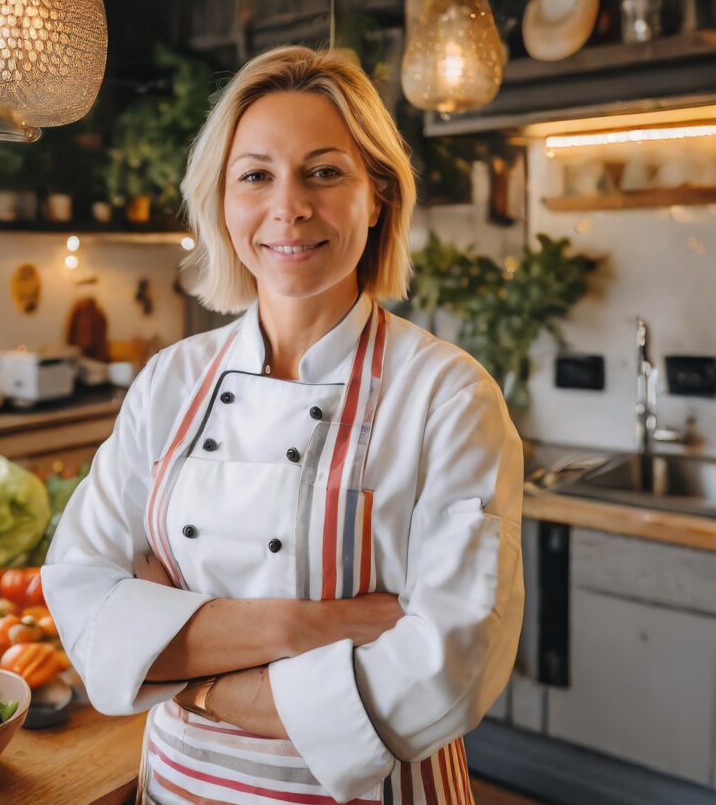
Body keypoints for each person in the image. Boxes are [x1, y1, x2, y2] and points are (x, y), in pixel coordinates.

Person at [42, 45, 524, 805]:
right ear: (222, 202)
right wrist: (310, 626)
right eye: (256, 175)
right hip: (177, 788)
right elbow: (81, 594)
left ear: (381, 196)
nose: (289, 207)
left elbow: (447, 673)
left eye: (325, 172)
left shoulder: (448, 396)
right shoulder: (170, 382)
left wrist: (179, 669)